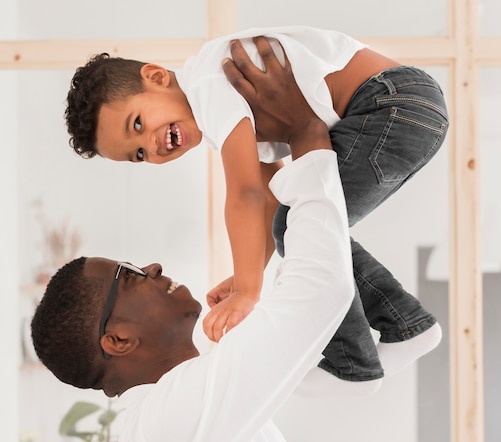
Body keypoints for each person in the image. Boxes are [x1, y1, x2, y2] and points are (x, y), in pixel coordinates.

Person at [32, 40, 354, 442]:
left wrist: (261, 257)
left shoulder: (186, 392)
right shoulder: (168, 423)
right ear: (118, 340)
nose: (152, 268)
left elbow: (296, 295)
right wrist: (307, 130)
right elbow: (319, 292)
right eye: (131, 275)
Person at [65, 26, 448, 391]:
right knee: (305, 224)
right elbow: (269, 197)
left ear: (156, 77)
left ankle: (353, 363)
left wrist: (247, 293)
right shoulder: (222, 107)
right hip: (406, 107)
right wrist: (249, 273)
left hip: (388, 103)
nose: (152, 145)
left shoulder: (208, 83)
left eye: (138, 123)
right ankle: (404, 325)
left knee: (304, 226)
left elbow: (245, 193)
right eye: (139, 155)